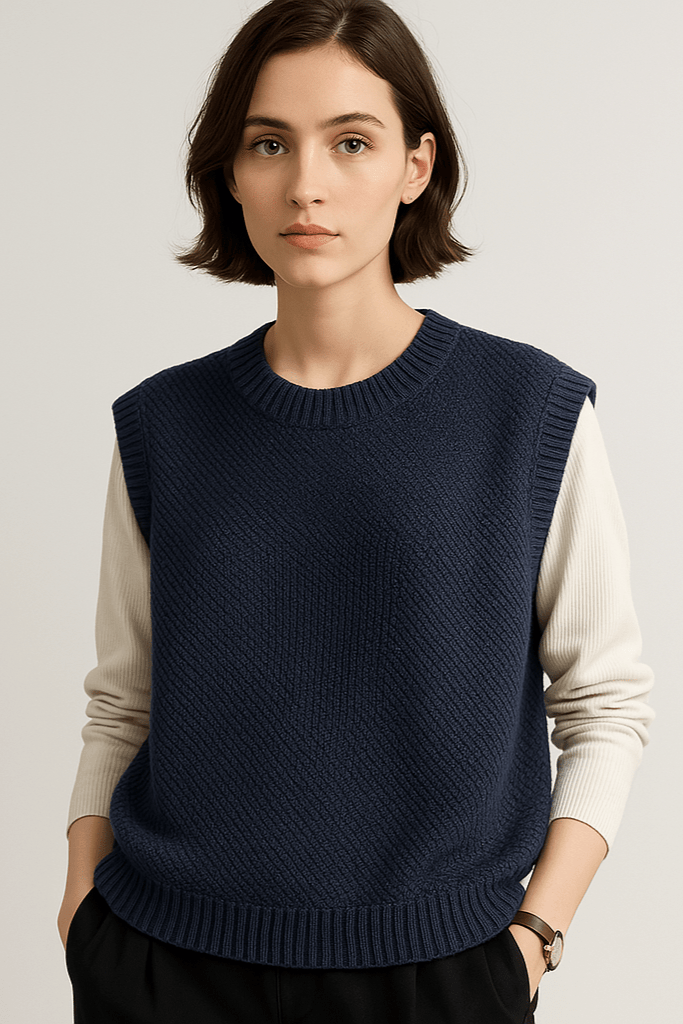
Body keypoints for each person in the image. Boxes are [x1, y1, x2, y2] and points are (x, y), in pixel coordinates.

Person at [57, 1, 655, 1022]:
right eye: (268, 143)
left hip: (437, 977)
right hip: (162, 965)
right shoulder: (162, 423)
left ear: (415, 166)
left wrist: (532, 938)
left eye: (350, 142)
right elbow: (123, 701)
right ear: (230, 172)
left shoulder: (527, 412)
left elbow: (604, 703)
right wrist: (81, 906)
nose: (306, 184)